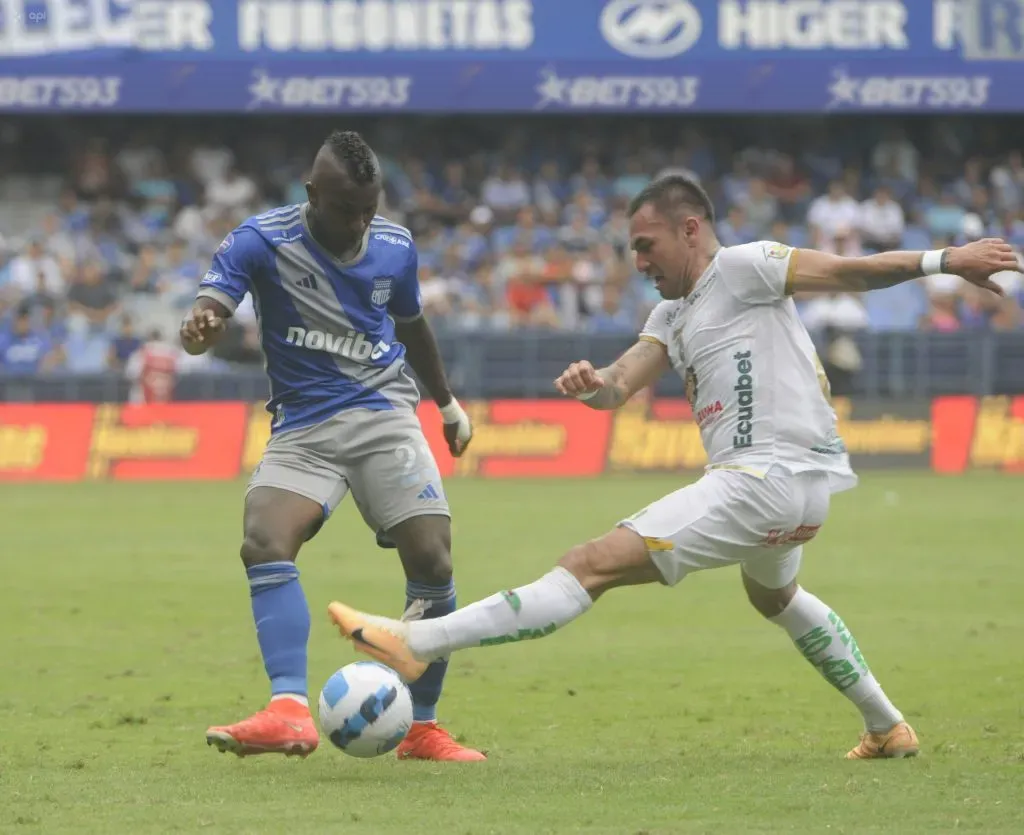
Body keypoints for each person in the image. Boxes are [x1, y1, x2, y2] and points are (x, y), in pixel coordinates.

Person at [326, 174, 1020, 760]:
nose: (638, 260)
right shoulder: (670, 313)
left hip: (762, 482)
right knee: (774, 596)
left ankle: (418, 641)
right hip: (800, 492)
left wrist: (944, 259)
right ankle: (886, 725)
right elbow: (619, 385)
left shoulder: (744, 266)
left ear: (690, 230)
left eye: (645, 244)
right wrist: (592, 383)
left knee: (590, 563)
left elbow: (847, 272)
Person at [180, 130, 486, 762]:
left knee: (433, 561)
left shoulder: (395, 247)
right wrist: (201, 327)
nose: (359, 224)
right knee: (263, 540)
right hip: (304, 427)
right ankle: (288, 711)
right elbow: (209, 311)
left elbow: (412, 326)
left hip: (383, 414)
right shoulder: (260, 240)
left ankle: (422, 728)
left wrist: (448, 405)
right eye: (347, 210)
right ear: (312, 194)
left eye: (369, 210)